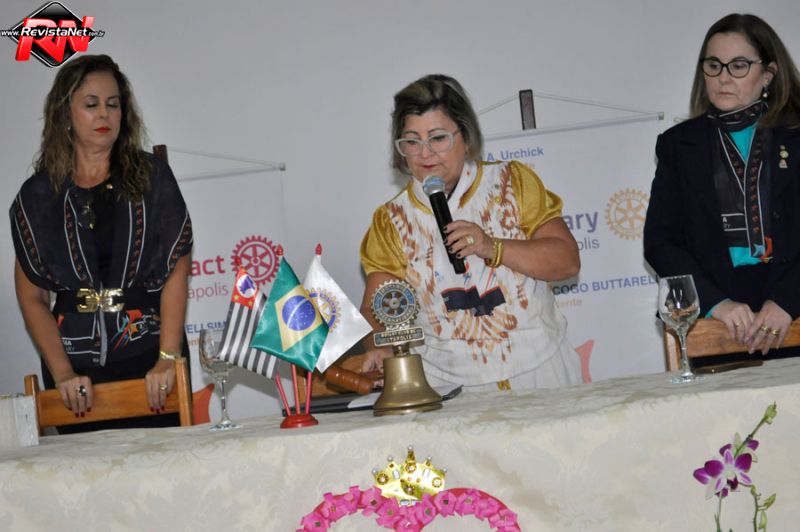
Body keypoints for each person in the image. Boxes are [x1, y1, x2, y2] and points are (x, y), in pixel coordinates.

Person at [359, 74, 582, 391]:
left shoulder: (511, 182)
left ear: (465, 137)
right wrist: (379, 346)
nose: (425, 154)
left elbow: (567, 262)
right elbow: (377, 308)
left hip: (541, 369)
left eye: (438, 138)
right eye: (411, 141)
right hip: (450, 385)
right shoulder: (391, 220)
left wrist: (493, 247)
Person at [10, 54, 193, 432]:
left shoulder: (152, 177)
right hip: (73, 373)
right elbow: (32, 297)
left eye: (113, 104)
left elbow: (177, 271)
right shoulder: (38, 196)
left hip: (150, 359)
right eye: (91, 104)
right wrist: (62, 372)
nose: (104, 114)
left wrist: (168, 357)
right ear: (65, 115)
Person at [644, 14, 800, 362]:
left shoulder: (796, 137)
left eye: (739, 66)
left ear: (769, 74)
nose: (723, 77)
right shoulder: (678, 145)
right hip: (716, 316)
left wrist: (788, 300)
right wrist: (716, 303)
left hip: (791, 306)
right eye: (714, 65)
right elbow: (660, 241)